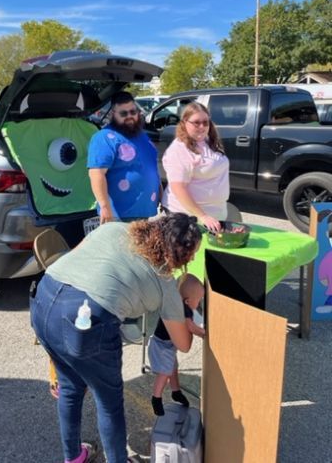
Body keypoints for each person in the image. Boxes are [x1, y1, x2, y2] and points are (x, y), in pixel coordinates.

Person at [30, 213, 202, 463]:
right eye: (191, 254)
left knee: (70, 388)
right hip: (87, 323)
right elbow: (183, 344)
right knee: (109, 403)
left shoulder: (114, 229)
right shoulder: (165, 282)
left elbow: (74, 257)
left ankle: (74, 457)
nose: (193, 259)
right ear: (180, 256)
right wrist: (188, 313)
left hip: (43, 300)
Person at [87, 91, 161, 223]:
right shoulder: (104, 137)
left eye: (133, 112)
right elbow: (96, 174)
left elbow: (151, 167)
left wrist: (160, 192)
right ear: (112, 114)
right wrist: (104, 206)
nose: (129, 116)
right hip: (119, 215)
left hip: (146, 211)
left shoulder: (143, 136)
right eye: (123, 114)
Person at [161, 102, 230, 232]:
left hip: (215, 216)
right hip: (188, 218)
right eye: (196, 123)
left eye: (205, 122)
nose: (202, 126)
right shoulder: (179, 150)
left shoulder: (208, 141)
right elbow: (178, 188)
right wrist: (202, 216)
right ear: (184, 123)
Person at [148, 274, 205, 416]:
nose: (199, 304)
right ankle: (156, 398)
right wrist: (205, 334)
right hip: (162, 345)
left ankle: (176, 391)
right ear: (188, 301)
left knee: (172, 368)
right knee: (165, 372)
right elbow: (191, 327)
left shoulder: (177, 303)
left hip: (168, 345)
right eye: (198, 300)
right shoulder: (184, 309)